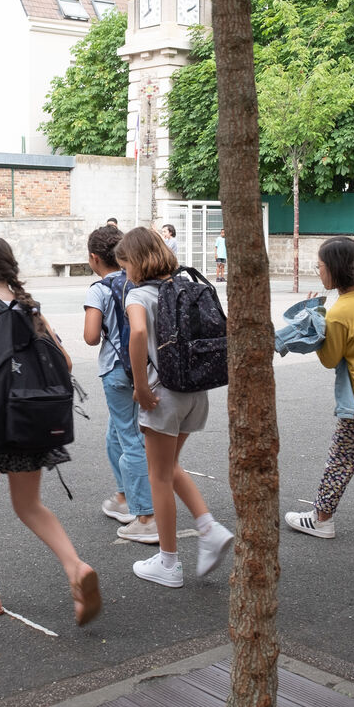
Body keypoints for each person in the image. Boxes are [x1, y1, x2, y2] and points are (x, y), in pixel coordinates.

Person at [0, 236, 101, 626]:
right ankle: (75, 566)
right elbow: (65, 362)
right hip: (30, 421)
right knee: (29, 505)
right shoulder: (30, 308)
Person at [115, 227, 234, 588]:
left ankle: (168, 562)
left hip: (162, 393)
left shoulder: (139, 294)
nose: (125, 273)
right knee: (168, 466)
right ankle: (208, 528)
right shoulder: (185, 285)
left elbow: (138, 333)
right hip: (195, 390)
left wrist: (139, 385)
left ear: (135, 262)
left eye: (125, 265)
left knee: (159, 475)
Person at [284, 237, 354, 540]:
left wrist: (315, 320)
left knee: (342, 459)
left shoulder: (339, 312)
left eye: (319, 266)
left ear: (333, 269)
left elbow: (330, 359)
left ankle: (322, 519)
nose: (318, 271)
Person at [83, 224, 156, 543]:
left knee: (129, 438)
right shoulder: (135, 281)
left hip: (115, 370)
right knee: (117, 433)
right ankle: (125, 496)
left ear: (94, 258)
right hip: (143, 368)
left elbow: (90, 336)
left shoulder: (98, 290)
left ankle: (146, 514)